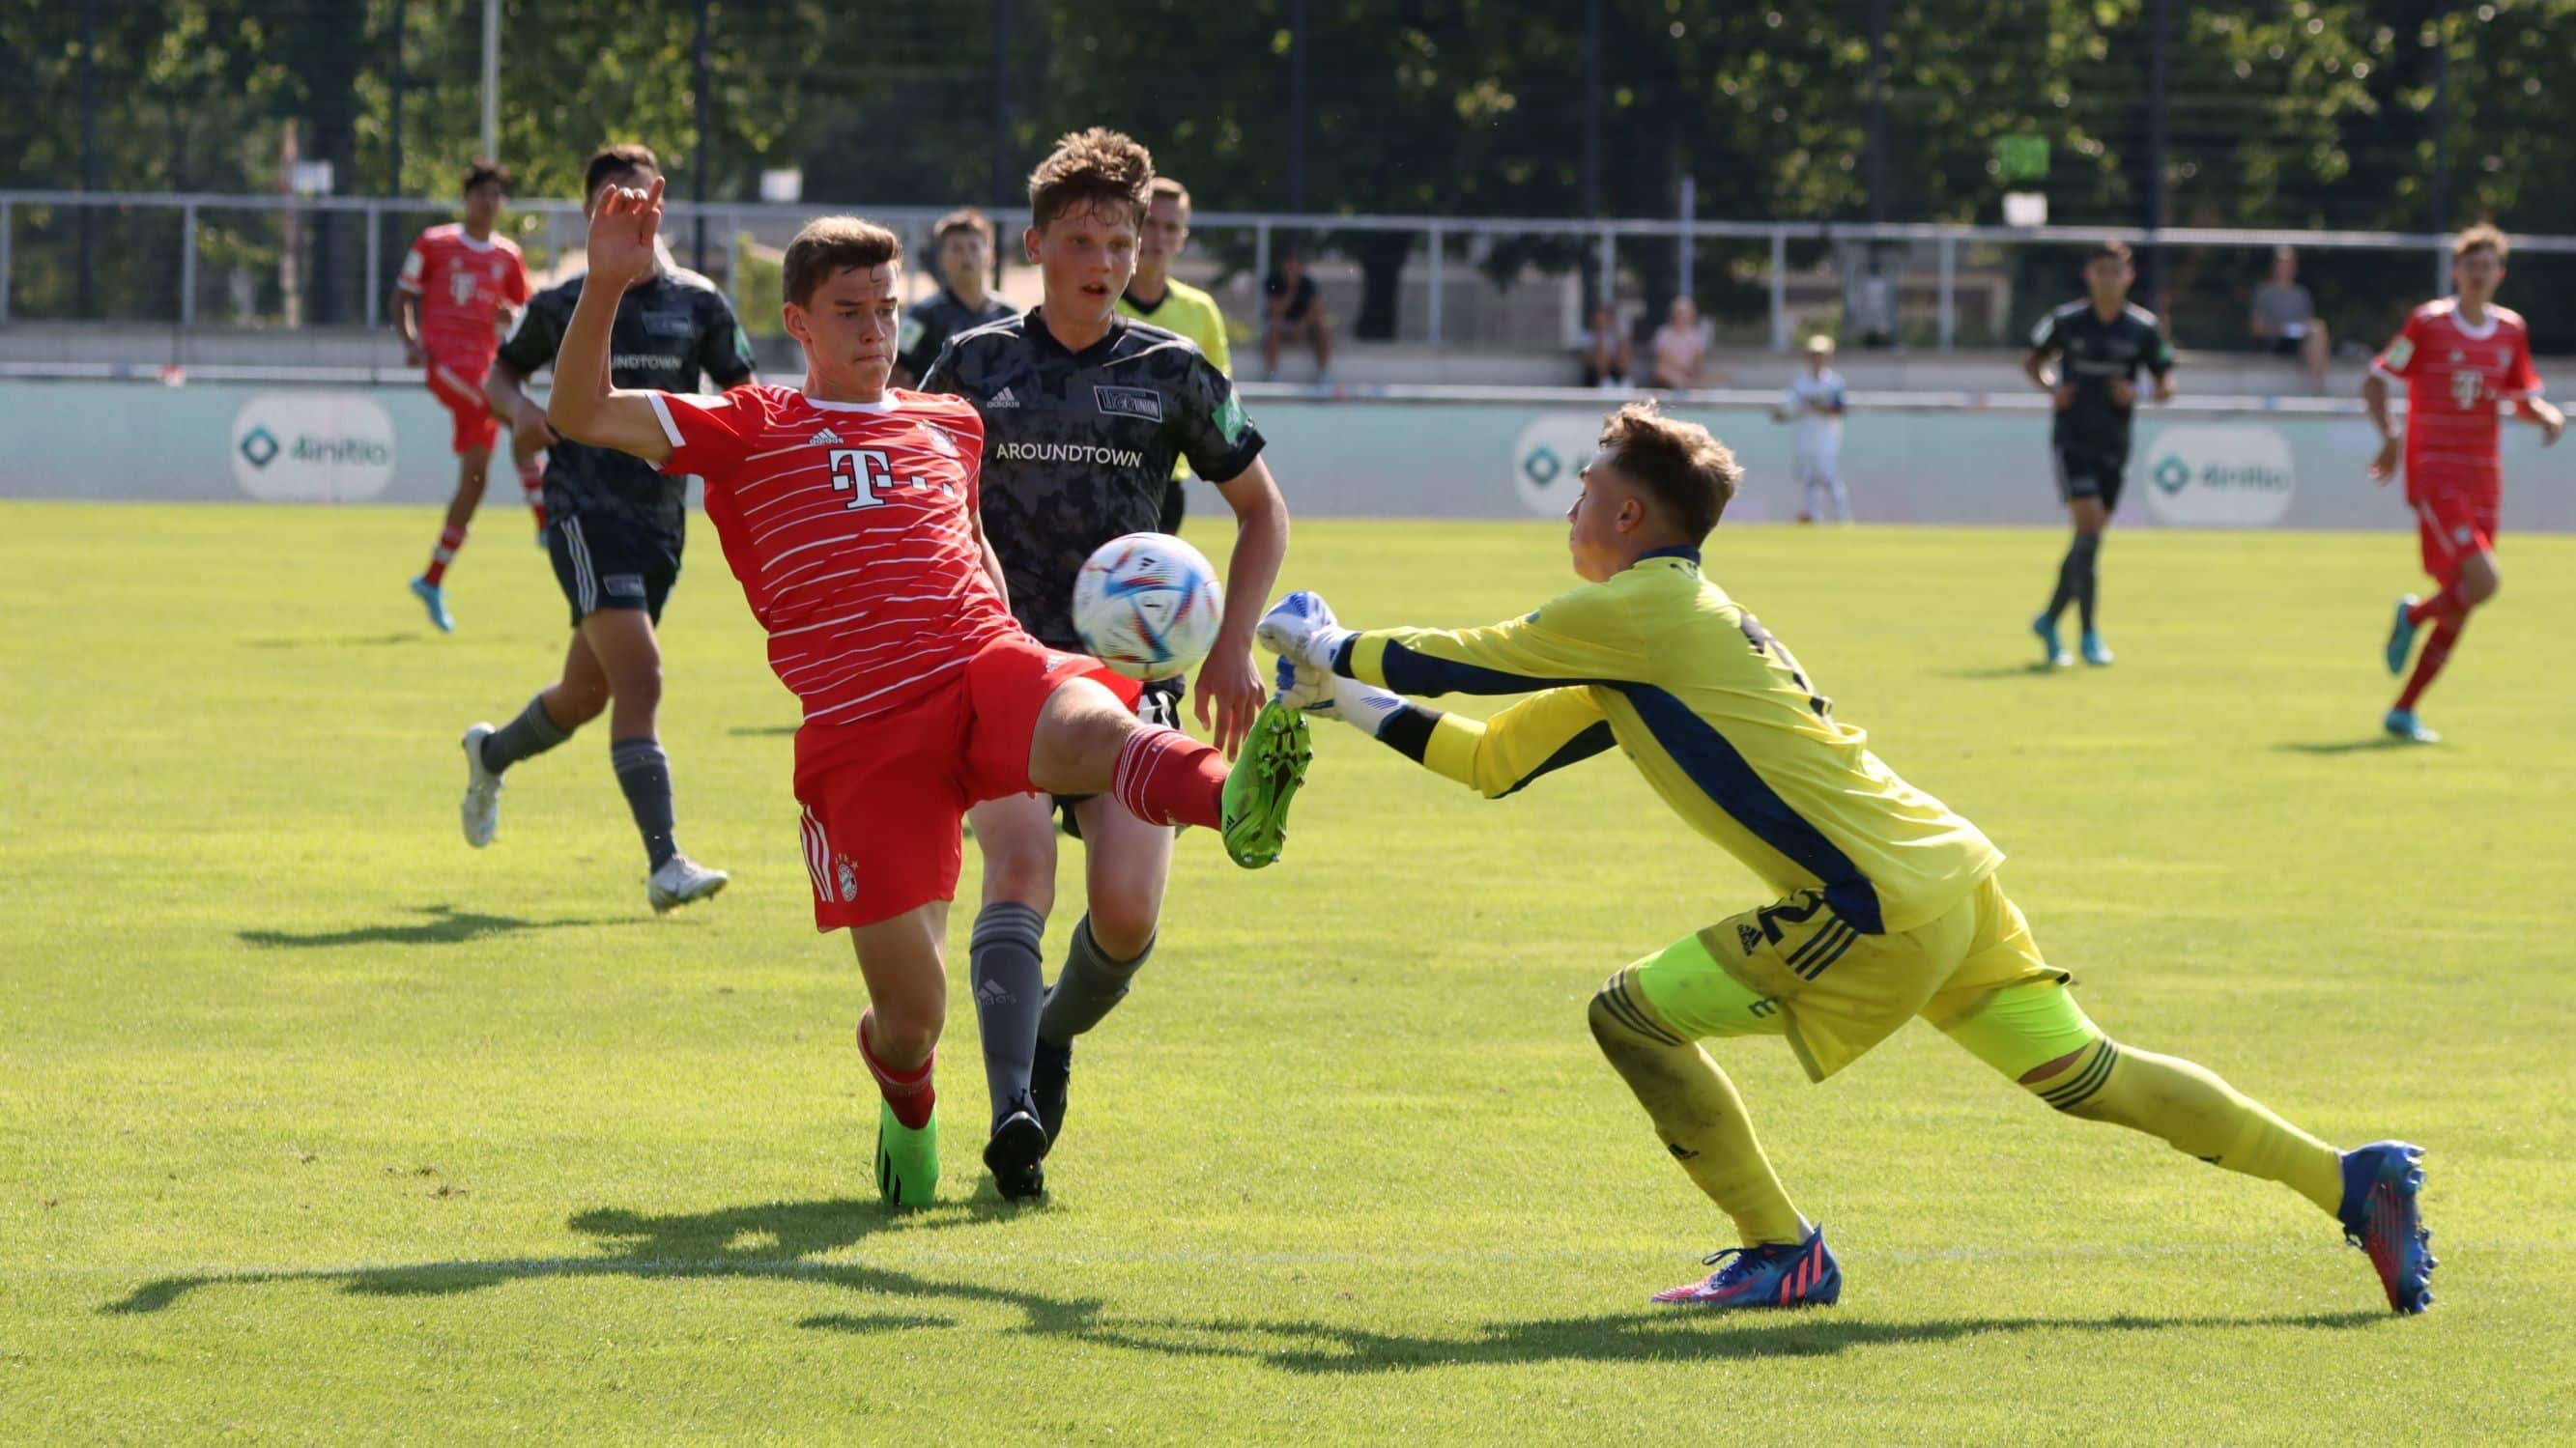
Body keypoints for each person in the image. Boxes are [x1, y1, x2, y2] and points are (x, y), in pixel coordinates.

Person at [1257, 401, 2435, 1317]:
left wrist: (1323, 639)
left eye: (1585, 487)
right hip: (1943, 869)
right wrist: (1341, 698)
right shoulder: (1652, 632)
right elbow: (1492, 759)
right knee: (2089, 1073)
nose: (1570, 503)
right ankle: (2347, 1177)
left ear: (1628, 517)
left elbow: (1464, 657)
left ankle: (1782, 1252)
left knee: (1629, 1015)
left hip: (1873, 900)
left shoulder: (1642, 613)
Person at [541, 178, 1310, 1207]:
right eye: (850, 313)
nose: (875, 331)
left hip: (979, 664)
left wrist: (1005, 626)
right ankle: (907, 1102)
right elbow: (579, 410)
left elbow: (974, 551)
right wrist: (604, 283)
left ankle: (1233, 796)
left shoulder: (945, 422)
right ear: (799, 322)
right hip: (862, 734)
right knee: (914, 1016)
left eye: (887, 308)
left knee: (1093, 719)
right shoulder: (751, 421)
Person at [923, 128, 1293, 1201]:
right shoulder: (971, 363)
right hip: (1000, 668)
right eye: (1080, 239)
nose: (1100, 261)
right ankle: (1010, 1114)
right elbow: (919, 498)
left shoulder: (1173, 371)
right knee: (1020, 869)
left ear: (1140, 253)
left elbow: (1262, 514)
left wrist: (1229, 646)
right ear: (1035, 243)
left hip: (1133, 682)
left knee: (1127, 914)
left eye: (1119, 243)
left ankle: (1045, 1034)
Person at [457, 143, 753, 913]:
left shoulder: (701, 303)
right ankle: (665, 864)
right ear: (593, 214)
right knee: (643, 676)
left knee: (586, 695)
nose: (630, 211)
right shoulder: (562, 304)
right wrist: (520, 411)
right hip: (584, 512)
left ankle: (490, 753)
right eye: (612, 201)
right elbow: (500, 373)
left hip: (662, 522)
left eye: (642, 197)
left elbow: (743, 396)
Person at [2365, 223, 2565, 744]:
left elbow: (2519, 397)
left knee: (2466, 597)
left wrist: (2543, 413)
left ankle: (2403, 709)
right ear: (2456, 271)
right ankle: (2412, 616)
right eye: (2469, 266)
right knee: (2486, 582)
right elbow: (2377, 379)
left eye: (2487, 267)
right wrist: (2390, 437)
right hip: (2437, 473)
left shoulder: (2510, 330)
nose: (2478, 275)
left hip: (2484, 480)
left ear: (2499, 274)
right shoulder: (2428, 324)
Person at [395, 158, 539, 633]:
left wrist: (508, 319)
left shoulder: (508, 256)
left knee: (475, 480)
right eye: (482, 194)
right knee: (517, 415)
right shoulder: (435, 243)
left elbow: (522, 313)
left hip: (484, 371)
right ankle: (545, 517)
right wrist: (411, 342)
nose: (489, 203)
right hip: (444, 365)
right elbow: (401, 297)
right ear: (466, 198)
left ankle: (432, 578)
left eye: (497, 196)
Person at [2022, 241, 2175, 668]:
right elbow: (2032, 360)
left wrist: (2140, 391)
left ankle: (2049, 620)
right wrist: (2053, 387)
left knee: (2088, 542)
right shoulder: (2066, 321)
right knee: (2088, 532)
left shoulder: (2142, 328)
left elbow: (2167, 383)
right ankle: (2088, 633)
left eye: (2116, 271)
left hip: (2115, 443)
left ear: (2128, 277)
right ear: (2090, 275)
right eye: (2101, 270)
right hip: (2072, 440)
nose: (2109, 278)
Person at [1117, 176, 1234, 534]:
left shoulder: (1201, 310)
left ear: (1183, 237)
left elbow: (1224, 397)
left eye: (1171, 228)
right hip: (1096, 473)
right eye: (1150, 224)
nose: (1159, 237)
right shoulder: (1097, 300)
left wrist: (1240, 454)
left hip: (1165, 484)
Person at [890, 208, 1016, 389]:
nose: (966, 256)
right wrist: (926, 404)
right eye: (956, 248)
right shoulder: (921, 316)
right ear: (942, 259)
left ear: (990, 256)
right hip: (938, 416)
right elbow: (893, 373)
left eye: (973, 247)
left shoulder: (1010, 316)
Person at [1771, 335, 1848, 524]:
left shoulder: (1834, 383)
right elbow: (1790, 408)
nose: (1817, 359)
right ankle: (1815, 516)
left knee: (1829, 477)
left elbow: (1839, 409)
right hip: (1804, 437)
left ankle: (1841, 516)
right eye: (1814, 355)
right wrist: (1781, 414)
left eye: (1821, 355)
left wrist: (1815, 406)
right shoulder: (1799, 382)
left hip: (1826, 438)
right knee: (1809, 479)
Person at [2250, 245, 2331, 393]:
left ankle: (2319, 386)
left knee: (2318, 329)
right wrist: (2280, 329)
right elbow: (2256, 328)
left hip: (2299, 343)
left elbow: (2308, 324)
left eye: (2288, 265)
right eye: (2281, 264)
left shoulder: (2301, 294)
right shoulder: (2264, 293)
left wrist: (2300, 329)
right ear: (2274, 267)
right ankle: (2317, 388)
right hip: (2276, 342)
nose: (2284, 269)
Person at [1261, 250, 1331, 382]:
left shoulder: (1309, 283)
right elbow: (1274, 311)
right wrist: (1291, 292)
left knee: (1322, 328)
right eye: (1289, 265)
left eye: (1295, 265)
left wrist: (1302, 325)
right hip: (1282, 324)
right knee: (1273, 330)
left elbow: (1317, 309)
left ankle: (1322, 373)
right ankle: (1273, 373)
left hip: (1304, 324)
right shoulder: (1273, 281)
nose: (1292, 269)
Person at [1649, 297, 1710, 390]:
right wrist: (1680, 371)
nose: (1681, 316)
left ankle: (1684, 384)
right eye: (1679, 313)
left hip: (1689, 376)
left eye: (1685, 313)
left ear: (1692, 315)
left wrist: (1688, 371)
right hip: (1668, 376)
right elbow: (1662, 361)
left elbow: (1698, 363)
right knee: (1661, 371)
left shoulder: (1697, 337)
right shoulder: (1663, 333)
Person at [1578, 302, 1632, 388]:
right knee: (1600, 356)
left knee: (1623, 347)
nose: (1602, 323)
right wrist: (1600, 334)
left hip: (1614, 372)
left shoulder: (1614, 336)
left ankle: (1624, 380)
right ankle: (1605, 380)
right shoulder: (1586, 336)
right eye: (1599, 320)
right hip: (1594, 376)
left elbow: (1622, 358)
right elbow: (1589, 361)